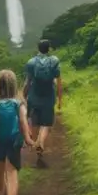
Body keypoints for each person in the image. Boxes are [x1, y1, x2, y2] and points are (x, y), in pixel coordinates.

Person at [23, 38, 62, 168]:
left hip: (34, 97)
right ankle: (41, 142)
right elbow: (59, 82)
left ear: (38, 49)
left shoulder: (31, 62)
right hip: (48, 97)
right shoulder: (54, 61)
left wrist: (24, 94)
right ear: (49, 49)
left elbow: (27, 82)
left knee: (34, 122)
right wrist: (60, 99)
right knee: (46, 125)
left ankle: (36, 146)